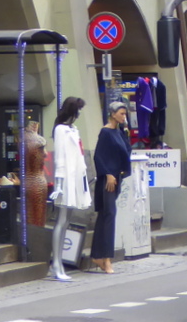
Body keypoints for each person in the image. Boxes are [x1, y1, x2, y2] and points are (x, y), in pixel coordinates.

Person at [50, 97, 91, 281]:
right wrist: (58, 184)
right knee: (61, 220)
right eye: (79, 109)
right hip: (65, 179)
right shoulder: (60, 130)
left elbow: (79, 155)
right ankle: (56, 264)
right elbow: (59, 157)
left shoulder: (74, 130)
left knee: (66, 221)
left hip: (75, 178)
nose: (80, 113)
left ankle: (58, 263)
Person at [91, 101, 132, 274]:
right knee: (109, 215)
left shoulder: (120, 132)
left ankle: (98, 255)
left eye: (125, 114)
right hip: (107, 180)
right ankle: (106, 259)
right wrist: (107, 173)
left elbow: (125, 152)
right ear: (113, 114)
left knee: (105, 216)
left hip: (116, 179)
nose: (124, 117)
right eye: (121, 114)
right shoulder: (106, 132)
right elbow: (99, 156)